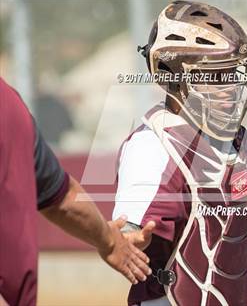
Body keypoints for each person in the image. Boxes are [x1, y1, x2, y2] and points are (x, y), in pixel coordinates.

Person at [112, 1, 247, 306]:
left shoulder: (236, 141)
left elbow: (218, 242)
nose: (231, 86)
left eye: (232, 73)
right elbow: (129, 237)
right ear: (173, 75)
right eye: (215, 75)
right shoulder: (154, 146)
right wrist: (124, 238)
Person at [0, 77, 155, 306]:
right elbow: (64, 199)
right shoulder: (8, 103)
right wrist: (108, 242)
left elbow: (61, 197)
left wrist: (110, 241)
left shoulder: (8, 106)